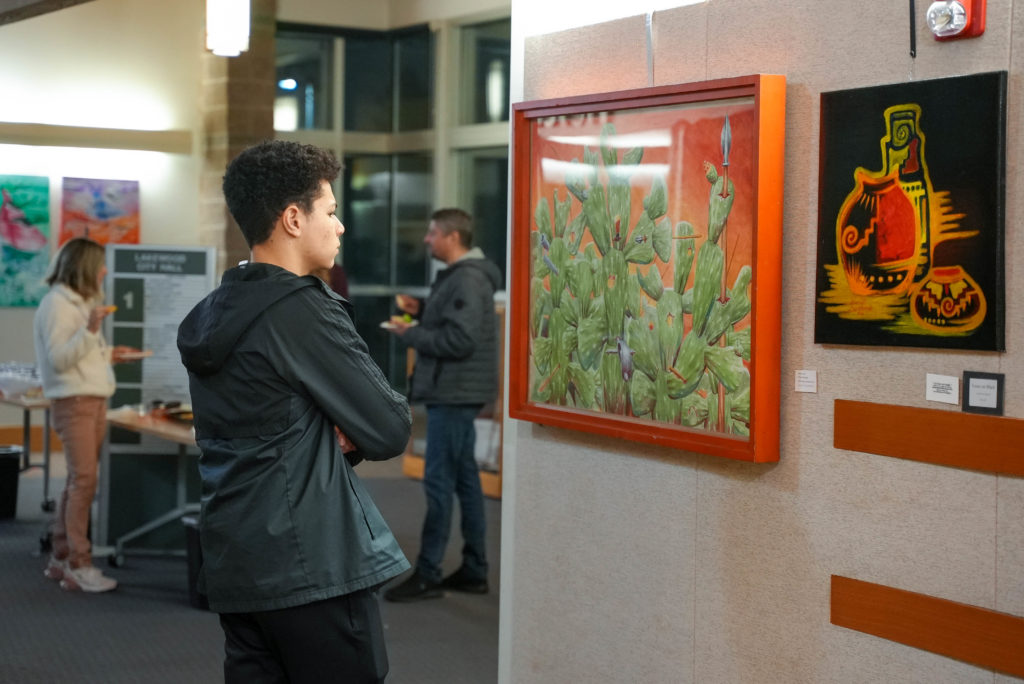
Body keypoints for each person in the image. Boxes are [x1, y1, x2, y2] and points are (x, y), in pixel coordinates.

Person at [176, 140, 412, 684]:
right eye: (330, 211)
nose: (340, 226)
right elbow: (389, 427)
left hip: (237, 556)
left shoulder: (212, 312)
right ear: (292, 218)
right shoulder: (300, 310)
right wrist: (337, 426)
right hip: (311, 561)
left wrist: (317, 427)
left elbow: (268, 426)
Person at [382, 208, 500, 602]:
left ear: (452, 237)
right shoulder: (464, 278)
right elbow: (456, 324)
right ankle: (474, 568)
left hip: (455, 393)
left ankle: (429, 572)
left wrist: (411, 334)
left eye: (432, 233)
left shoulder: (467, 278)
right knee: (465, 481)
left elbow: (460, 341)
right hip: (457, 391)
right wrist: (422, 312)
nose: (427, 240)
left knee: (438, 483)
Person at [33, 237, 141, 593]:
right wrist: (91, 330)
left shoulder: (77, 304)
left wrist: (109, 353)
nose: (105, 271)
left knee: (77, 482)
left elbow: (77, 355)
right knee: (84, 483)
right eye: (100, 265)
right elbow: (60, 359)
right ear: (84, 267)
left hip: (88, 400)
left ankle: (62, 556)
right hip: (75, 403)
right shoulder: (58, 305)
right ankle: (79, 563)